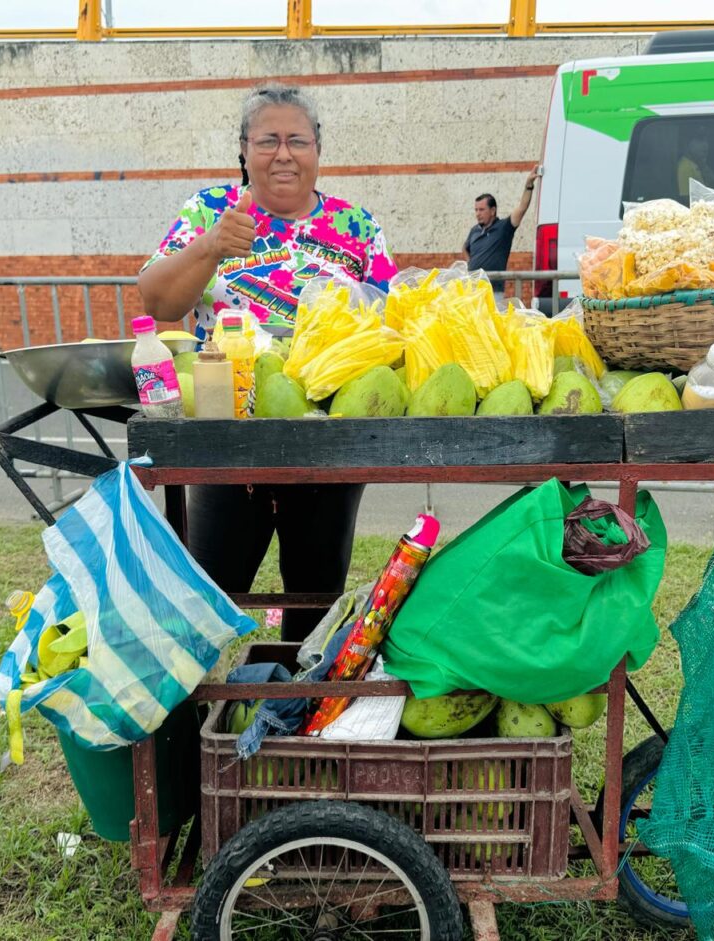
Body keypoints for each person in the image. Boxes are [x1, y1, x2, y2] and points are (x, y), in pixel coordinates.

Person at [138, 83, 398, 643]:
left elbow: (391, 327)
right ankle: (192, 715)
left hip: (328, 447)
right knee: (210, 592)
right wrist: (210, 247)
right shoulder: (210, 210)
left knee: (315, 597)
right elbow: (157, 302)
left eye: (297, 140)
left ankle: (295, 716)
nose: (283, 154)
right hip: (228, 443)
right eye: (268, 141)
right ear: (244, 149)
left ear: (317, 150)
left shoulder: (356, 227)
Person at [462, 166, 540, 309]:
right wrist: (470, 263)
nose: (478, 213)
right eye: (476, 210)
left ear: (492, 210)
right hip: (472, 289)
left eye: (481, 210)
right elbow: (465, 248)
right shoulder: (474, 230)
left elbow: (522, 208)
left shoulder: (504, 228)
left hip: (493, 291)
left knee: (491, 326)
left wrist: (529, 185)